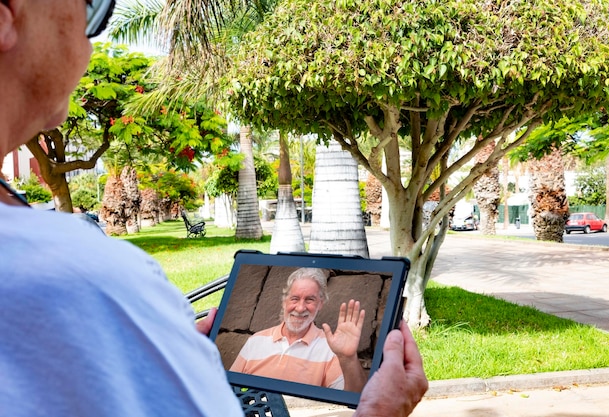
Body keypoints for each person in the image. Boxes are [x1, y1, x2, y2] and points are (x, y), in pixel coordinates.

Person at [0, 0, 428, 416]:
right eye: (92, 6)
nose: (90, 32)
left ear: (320, 306)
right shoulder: (88, 276)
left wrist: (167, 352)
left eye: (310, 300)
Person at [230, 268, 367, 391]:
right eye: (294, 299)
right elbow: (227, 388)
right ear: (284, 302)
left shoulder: (331, 349)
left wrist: (348, 358)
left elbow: (353, 398)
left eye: (309, 300)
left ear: (320, 304)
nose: (300, 308)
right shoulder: (255, 341)